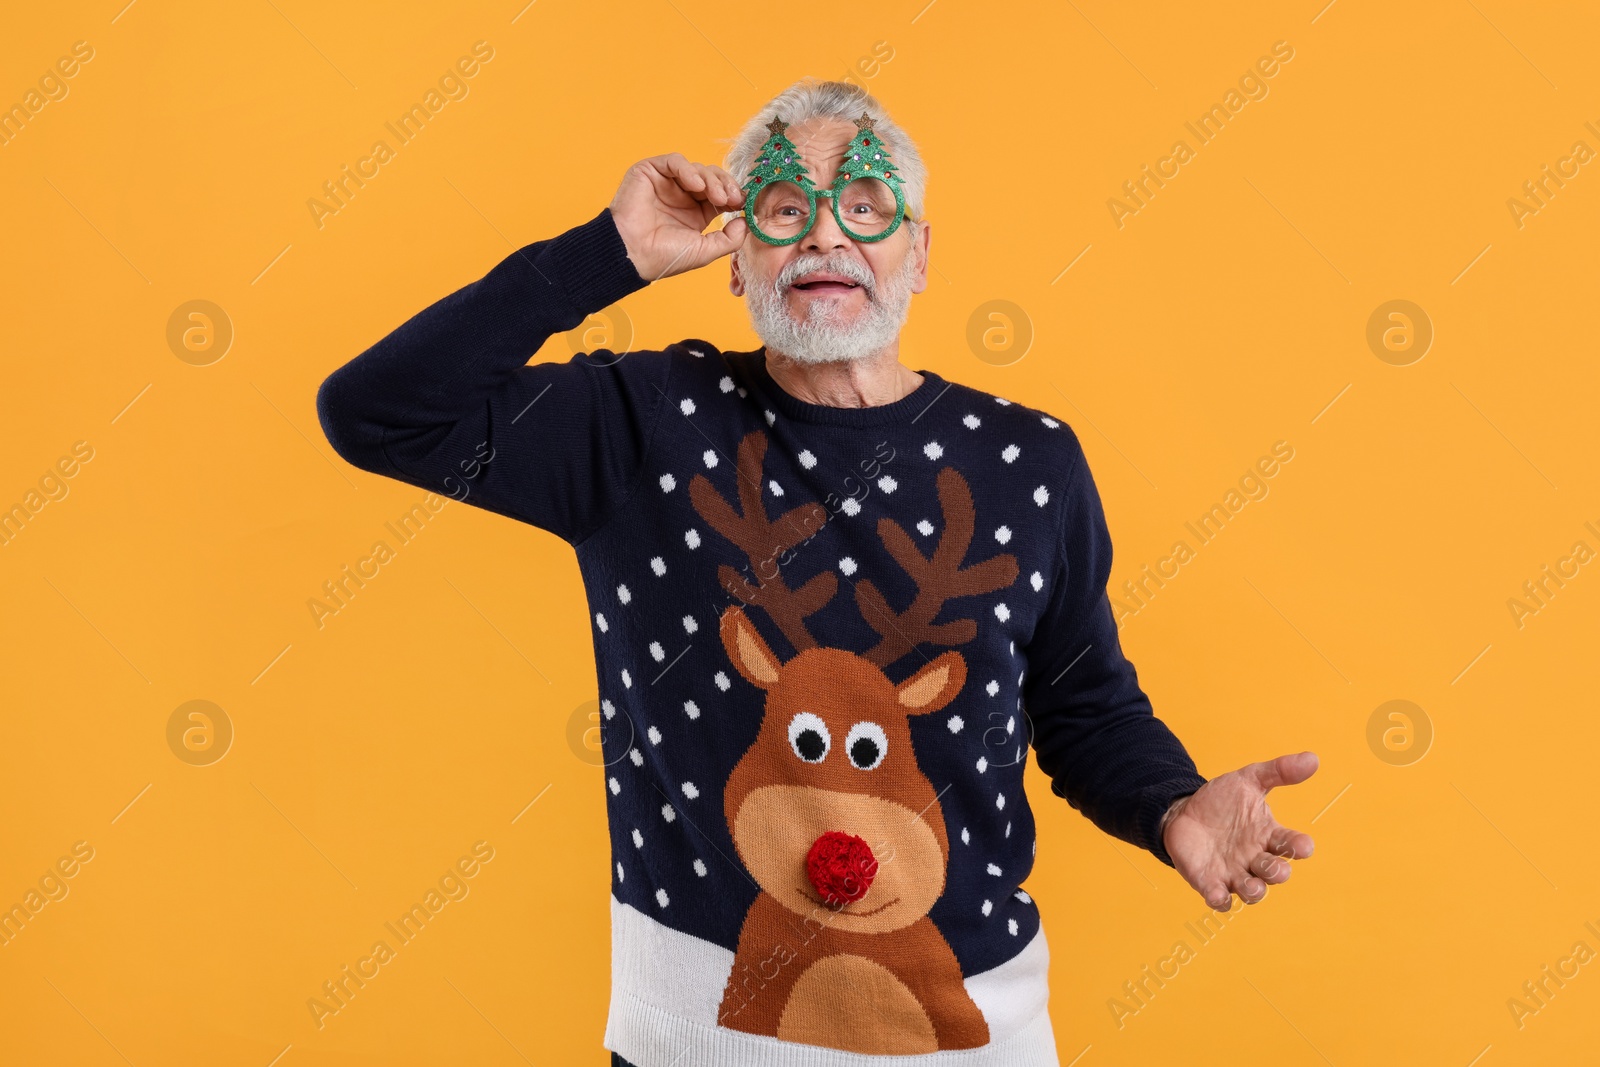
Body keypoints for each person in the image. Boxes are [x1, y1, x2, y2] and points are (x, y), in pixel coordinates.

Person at [316, 77, 1317, 1067]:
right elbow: (379, 411)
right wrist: (606, 255)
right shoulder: (639, 422)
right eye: (785, 208)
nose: (826, 235)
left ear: (918, 255)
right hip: (696, 1037)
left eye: (868, 207)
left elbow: (1083, 706)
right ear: (734, 254)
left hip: (969, 1033)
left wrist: (1172, 802)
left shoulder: (1030, 459)